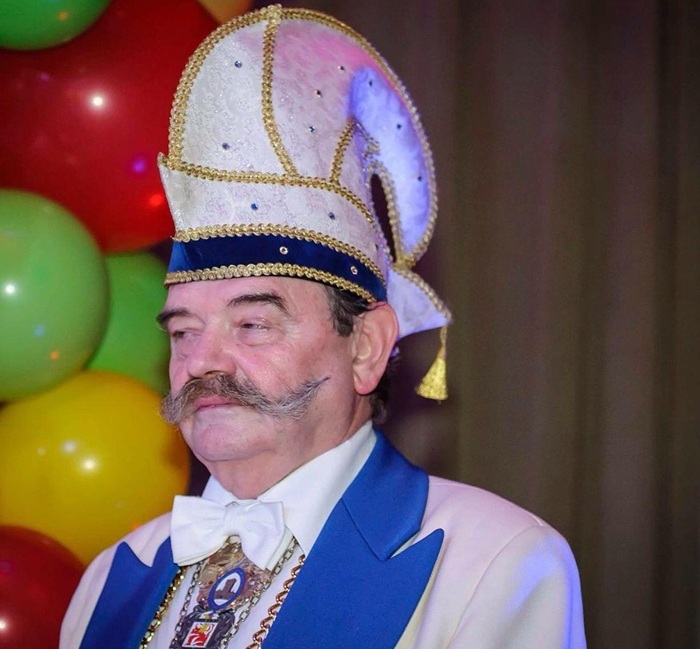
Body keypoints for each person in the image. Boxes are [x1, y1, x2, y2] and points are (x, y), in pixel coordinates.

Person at [60, 5, 587, 648]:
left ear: (365, 347)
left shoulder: (493, 564)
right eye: (183, 332)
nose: (201, 362)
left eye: (252, 324)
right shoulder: (109, 579)